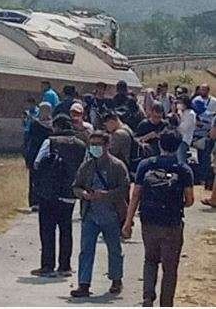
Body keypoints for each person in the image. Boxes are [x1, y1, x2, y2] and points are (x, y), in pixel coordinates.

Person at [122, 131, 194, 307]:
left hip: (149, 221)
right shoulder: (183, 169)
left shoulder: (146, 165)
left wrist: (128, 221)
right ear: (178, 146)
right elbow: (190, 200)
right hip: (172, 224)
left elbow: (136, 195)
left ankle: (147, 296)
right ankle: (166, 302)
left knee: (150, 260)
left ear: (160, 144)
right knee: (170, 268)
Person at [70, 131, 130, 298]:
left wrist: (105, 195)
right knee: (86, 250)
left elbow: (124, 189)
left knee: (114, 249)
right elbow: (76, 186)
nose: (95, 148)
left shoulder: (117, 166)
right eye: (92, 144)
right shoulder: (87, 166)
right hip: (90, 214)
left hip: (111, 215)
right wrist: (83, 194)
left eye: (98, 144)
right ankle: (83, 284)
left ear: (107, 145)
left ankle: (116, 279)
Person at [30, 115, 86, 277]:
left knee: (47, 230)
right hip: (70, 193)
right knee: (66, 229)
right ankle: (65, 266)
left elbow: (37, 163)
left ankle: (47, 266)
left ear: (56, 127)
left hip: (49, 193)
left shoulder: (50, 142)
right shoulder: (81, 145)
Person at [26, 102, 54, 211]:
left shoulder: (53, 125)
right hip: (35, 154)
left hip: (48, 155)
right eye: (43, 110)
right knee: (34, 179)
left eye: (47, 110)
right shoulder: (35, 124)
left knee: (48, 179)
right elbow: (30, 141)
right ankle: (35, 202)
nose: (45, 112)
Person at [175, 95, 196, 166]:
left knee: (181, 160)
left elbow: (183, 128)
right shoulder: (182, 112)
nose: (179, 104)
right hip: (178, 139)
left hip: (184, 140)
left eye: (180, 103)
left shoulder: (191, 114)